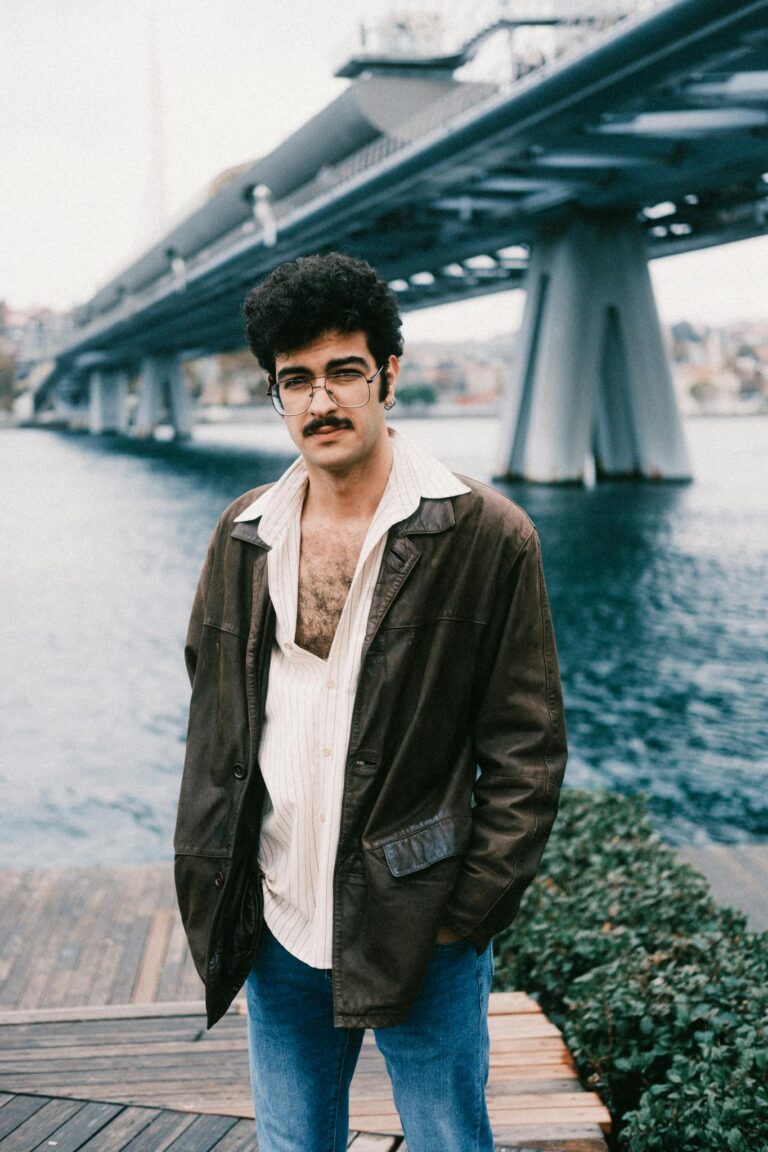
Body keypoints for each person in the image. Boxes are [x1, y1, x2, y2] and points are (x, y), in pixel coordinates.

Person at [174, 252, 567, 1152]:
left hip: (420, 921)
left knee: (446, 1142)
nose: (322, 402)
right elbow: (214, 719)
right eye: (296, 381)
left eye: (344, 371)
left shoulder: (486, 535)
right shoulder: (243, 535)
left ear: (389, 373)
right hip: (280, 923)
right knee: (292, 1144)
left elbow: (527, 751)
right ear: (277, 396)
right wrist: (218, 870)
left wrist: (466, 915)